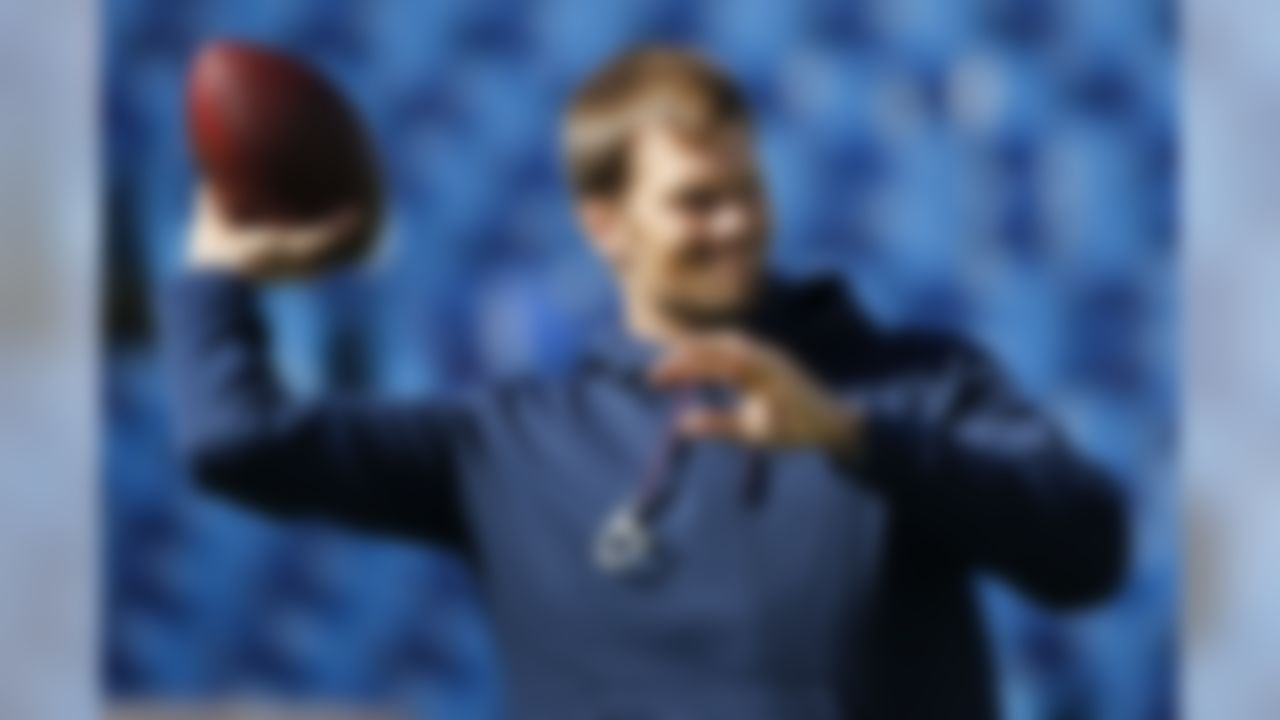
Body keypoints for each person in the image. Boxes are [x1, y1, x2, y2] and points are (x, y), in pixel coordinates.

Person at [162, 46, 1128, 719]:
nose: (736, 223)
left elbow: (1087, 548)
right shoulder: (506, 443)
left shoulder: (916, 385)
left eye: (748, 190)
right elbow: (235, 442)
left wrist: (850, 434)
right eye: (695, 201)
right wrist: (213, 270)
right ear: (605, 225)